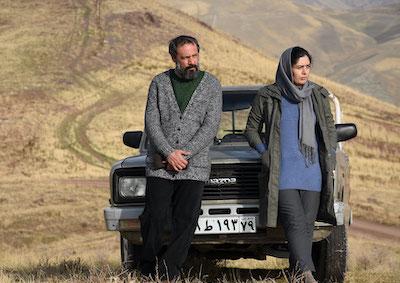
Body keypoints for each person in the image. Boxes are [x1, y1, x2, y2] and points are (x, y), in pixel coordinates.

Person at [245, 46, 337, 282]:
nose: (305, 72)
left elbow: (328, 130)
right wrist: (264, 152)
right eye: (299, 67)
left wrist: (330, 155)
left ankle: (297, 275)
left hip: (312, 172)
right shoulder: (268, 95)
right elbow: (251, 130)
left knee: (306, 227)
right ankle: (308, 274)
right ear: (287, 68)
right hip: (282, 172)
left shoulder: (318, 94)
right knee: (295, 222)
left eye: (307, 67)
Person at [140, 35, 222, 281]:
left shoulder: (211, 85)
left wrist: (186, 154)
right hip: (161, 163)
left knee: (186, 219)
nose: (191, 62)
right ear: (174, 58)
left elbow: (211, 125)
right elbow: (151, 122)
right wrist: (169, 153)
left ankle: (168, 271)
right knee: (154, 216)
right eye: (185, 58)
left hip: (194, 164)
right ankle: (146, 268)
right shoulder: (159, 83)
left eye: (194, 56)